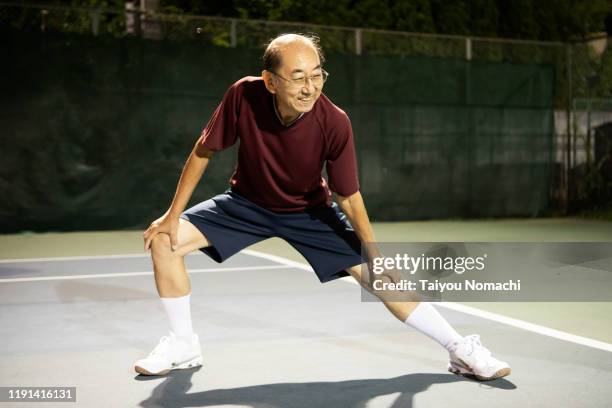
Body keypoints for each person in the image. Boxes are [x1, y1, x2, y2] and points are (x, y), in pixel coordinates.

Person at [134, 33, 511, 381]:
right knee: (165, 240)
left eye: (317, 75)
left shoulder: (335, 121)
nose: (309, 87)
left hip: (310, 213)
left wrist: (374, 254)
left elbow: (349, 196)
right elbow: (205, 150)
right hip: (244, 204)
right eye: (298, 77)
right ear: (270, 81)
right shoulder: (243, 95)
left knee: (382, 280)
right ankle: (183, 344)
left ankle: (460, 350)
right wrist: (171, 214)